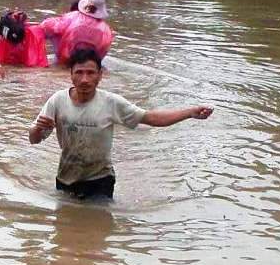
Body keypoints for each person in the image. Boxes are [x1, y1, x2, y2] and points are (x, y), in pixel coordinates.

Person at [28, 48, 213, 199]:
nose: (85, 79)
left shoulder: (111, 103)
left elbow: (151, 118)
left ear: (100, 75)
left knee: (97, 233)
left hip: (100, 179)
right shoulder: (57, 100)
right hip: (65, 178)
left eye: (91, 73)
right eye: (79, 73)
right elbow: (34, 140)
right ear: (71, 75)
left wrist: (189, 112)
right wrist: (38, 129)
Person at [40, 0, 114, 63]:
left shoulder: (73, 16)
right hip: (92, 64)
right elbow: (104, 49)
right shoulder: (106, 30)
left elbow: (48, 26)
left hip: (66, 60)